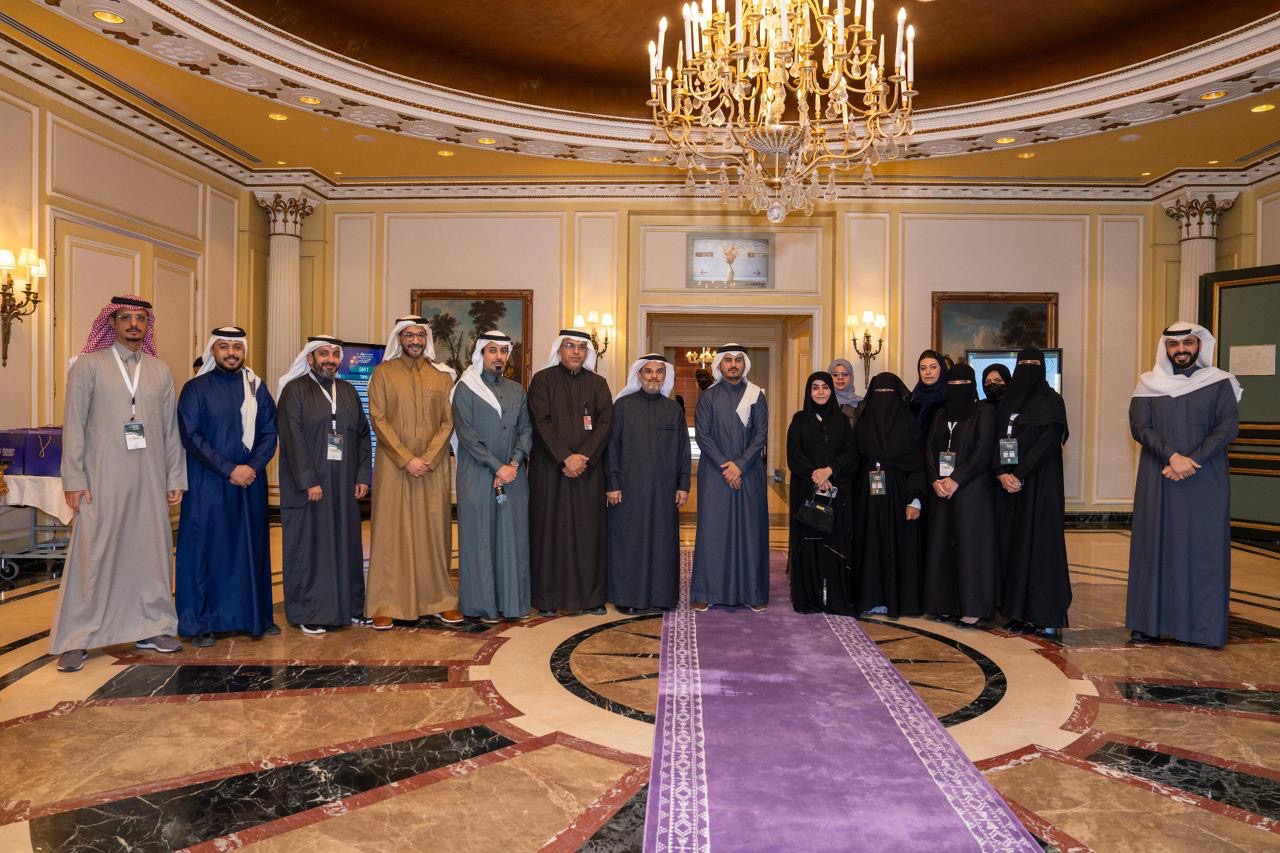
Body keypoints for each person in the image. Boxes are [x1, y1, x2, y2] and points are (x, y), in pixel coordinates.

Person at [52, 296, 187, 672]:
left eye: (140, 317)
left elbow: (170, 430)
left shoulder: (160, 371)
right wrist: (74, 478)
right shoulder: (88, 367)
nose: (133, 323)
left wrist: (175, 475)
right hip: (101, 478)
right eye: (125, 317)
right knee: (93, 555)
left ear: (147, 324)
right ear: (111, 323)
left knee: (150, 554)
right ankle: (77, 638)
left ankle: (153, 626)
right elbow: (74, 425)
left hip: (149, 478)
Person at [1127, 322, 1241, 648]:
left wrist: (1190, 460)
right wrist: (1172, 456)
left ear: (1199, 346)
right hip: (1158, 475)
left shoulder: (1220, 382)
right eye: (1174, 344)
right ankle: (1148, 623)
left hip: (1205, 476)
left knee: (1202, 550)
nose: (1181, 350)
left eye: (1187, 343)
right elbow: (1140, 427)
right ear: (1165, 348)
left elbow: (1227, 428)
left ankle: (1203, 629)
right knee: (1154, 547)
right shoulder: (1147, 384)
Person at [175, 326, 279, 647]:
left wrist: (251, 468)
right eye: (224, 347)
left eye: (237, 347)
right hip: (208, 483)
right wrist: (229, 468)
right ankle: (201, 622)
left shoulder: (257, 388)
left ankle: (253, 618)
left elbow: (270, 432)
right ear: (213, 350)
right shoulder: (195, 388)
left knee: (250, 548)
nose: (231, 353)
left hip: (250, 483)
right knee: (207, 549)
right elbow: (191, 436)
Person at [365, 316, 462, 629]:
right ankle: (386, 602)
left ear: (427, 339)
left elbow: (448, 421)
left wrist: (428, 458)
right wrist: (407, 458)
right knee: (391, 533)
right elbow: (378, 419)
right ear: (399, 338)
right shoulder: (383, 374)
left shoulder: (442, 377)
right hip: (394, 467)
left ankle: (439, 600)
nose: (415, 340)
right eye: (409, 335)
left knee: (433, 531)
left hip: (432, 468)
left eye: (420, 335)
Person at [276, 335, 372, 634]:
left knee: (346, 545)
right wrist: (309, 480)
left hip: (344, 483)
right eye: (324, 354)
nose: (331, 360)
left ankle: (351, 608)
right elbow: (291, 438)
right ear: (310, 358)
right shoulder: (294, 390)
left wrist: (362, 475)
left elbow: (362, 434)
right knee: (311, 547)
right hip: (310, 487)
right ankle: (310, 612)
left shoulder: (347, 391)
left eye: (335, 354)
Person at [527, 329, 614, 616]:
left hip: (588, 473)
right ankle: (547, 599)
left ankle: (591, 598)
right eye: (570, 346)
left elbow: (605, 423)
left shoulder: (598, 384)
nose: (576, 351)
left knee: (589, 534)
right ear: (559, 350)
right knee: (549, 533)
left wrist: (583, 457)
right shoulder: (542, 381)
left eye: (581, 347)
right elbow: (540, 422)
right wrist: (565, 457)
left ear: (587, 352)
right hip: (550, 472)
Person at [452, 331, 534, 623]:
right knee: (480, 538)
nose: (499, 357)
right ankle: (482, 606)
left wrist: (513, 463)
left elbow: (526, 429)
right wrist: (497, 467)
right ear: (481, 354)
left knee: (512, 539)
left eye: (503, 351)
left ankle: (513, 604)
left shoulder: (517, 390)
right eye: (492, 351)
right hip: (477, 475)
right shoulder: (466, 389)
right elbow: (467, 435)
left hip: (513, 476)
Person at [605, 354, 691, 614]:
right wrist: (612, 483)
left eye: (659, 372)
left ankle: (662, 596)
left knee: (663, 542)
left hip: (665, 491)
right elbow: (612, 447)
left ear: (665, 376)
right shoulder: (622, 407)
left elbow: (683, 450)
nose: (654, 376)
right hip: (629, 490)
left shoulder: (674, 410)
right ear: (639, 375)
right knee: (629, 543)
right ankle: (627, 597)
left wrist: (683, 484)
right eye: (648, 371)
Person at [994, 347, 1071, 637]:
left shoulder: (1052, 401)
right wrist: (1001, 473)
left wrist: (1019, 473)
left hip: (1041, 486)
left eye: (1033, 363)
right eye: (1023, 363)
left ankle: (1045, 614)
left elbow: (1048, 443)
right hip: (1009, 489)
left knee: (1041, 548)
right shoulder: (1007, 402)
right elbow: (995, 440)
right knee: (1013, 548)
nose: (1028, 368)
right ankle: (1017, 612)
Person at [691, 344, 770, 611]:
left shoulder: (756, 395)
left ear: (744, 364)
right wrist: (728, 467)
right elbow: (703, 435)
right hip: (716, 474)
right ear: (720, 365)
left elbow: (761, 435)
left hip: (749, 474)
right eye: (728, 360)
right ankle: (706, 591)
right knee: (713, 531)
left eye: (738, 360)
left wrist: (741, 466)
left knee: (751, 531)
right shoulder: (708, 397)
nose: (733, 364)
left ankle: (753, 593)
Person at [922, 364, 998, 626]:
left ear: (972, 385)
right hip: (941, 492)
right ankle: (943, 603)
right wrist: (934, 479)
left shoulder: (983, 412)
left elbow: (983, 449)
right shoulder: (941, 413)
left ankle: (972, 607)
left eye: (962, 385)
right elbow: (929, 448)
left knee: (970, 548)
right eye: (952, 385)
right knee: (942, 547)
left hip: (971, 492)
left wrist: (956, 479)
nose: (956, 389)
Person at [851, 373, 925, 618]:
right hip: (867, 497)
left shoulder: (910, 426)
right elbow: (854, 462)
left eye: (889, 394)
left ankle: (895, 600)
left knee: (898, 547)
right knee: (869, 546)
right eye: (879, 394)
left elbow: (918, 465)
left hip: (899, 496)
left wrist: (915, 499)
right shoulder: (862, 425)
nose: (884, 399)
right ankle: (869, 598)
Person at [787, 371, 858, 615]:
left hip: (836, 491)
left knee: (833, 543)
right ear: (809, 391)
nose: (820, 392)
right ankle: (809, 597)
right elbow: (793, 454)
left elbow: (851, 454)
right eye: (815, 387)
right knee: (809, 543)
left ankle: (833, 598)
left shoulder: (842, 421)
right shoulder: (799, 420)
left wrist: (830, 471)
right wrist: (814, 475)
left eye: (825, 387)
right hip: (806, 490)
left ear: (831, 390)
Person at [909, 349, 949, 434]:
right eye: (923, 368)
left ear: (941, 369)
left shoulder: (949, 399)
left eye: (933, 367)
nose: (927, 372)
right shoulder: (912, 399)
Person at [827, 358, 863, 426]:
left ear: (851, 377)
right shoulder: (823, 403)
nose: (840, 378)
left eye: (845, 374)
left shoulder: (861, 404)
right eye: (835, 375)